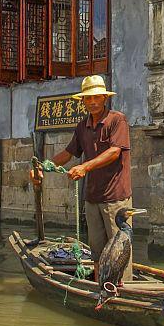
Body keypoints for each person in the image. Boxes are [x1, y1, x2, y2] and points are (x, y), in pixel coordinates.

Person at [29, 75, 134, 282]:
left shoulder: (116, 120)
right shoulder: (82, 126)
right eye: (88, 98)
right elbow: (68, 154)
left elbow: (114, 152)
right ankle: (99, 284)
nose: (93, 102)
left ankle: (124, 288)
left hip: (116, 198)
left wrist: (85, 167)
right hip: (93, 197)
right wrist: (42, 166)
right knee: (97, 249)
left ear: (104, 98)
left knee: (119, 250)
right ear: (83, 101)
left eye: (96, 97)